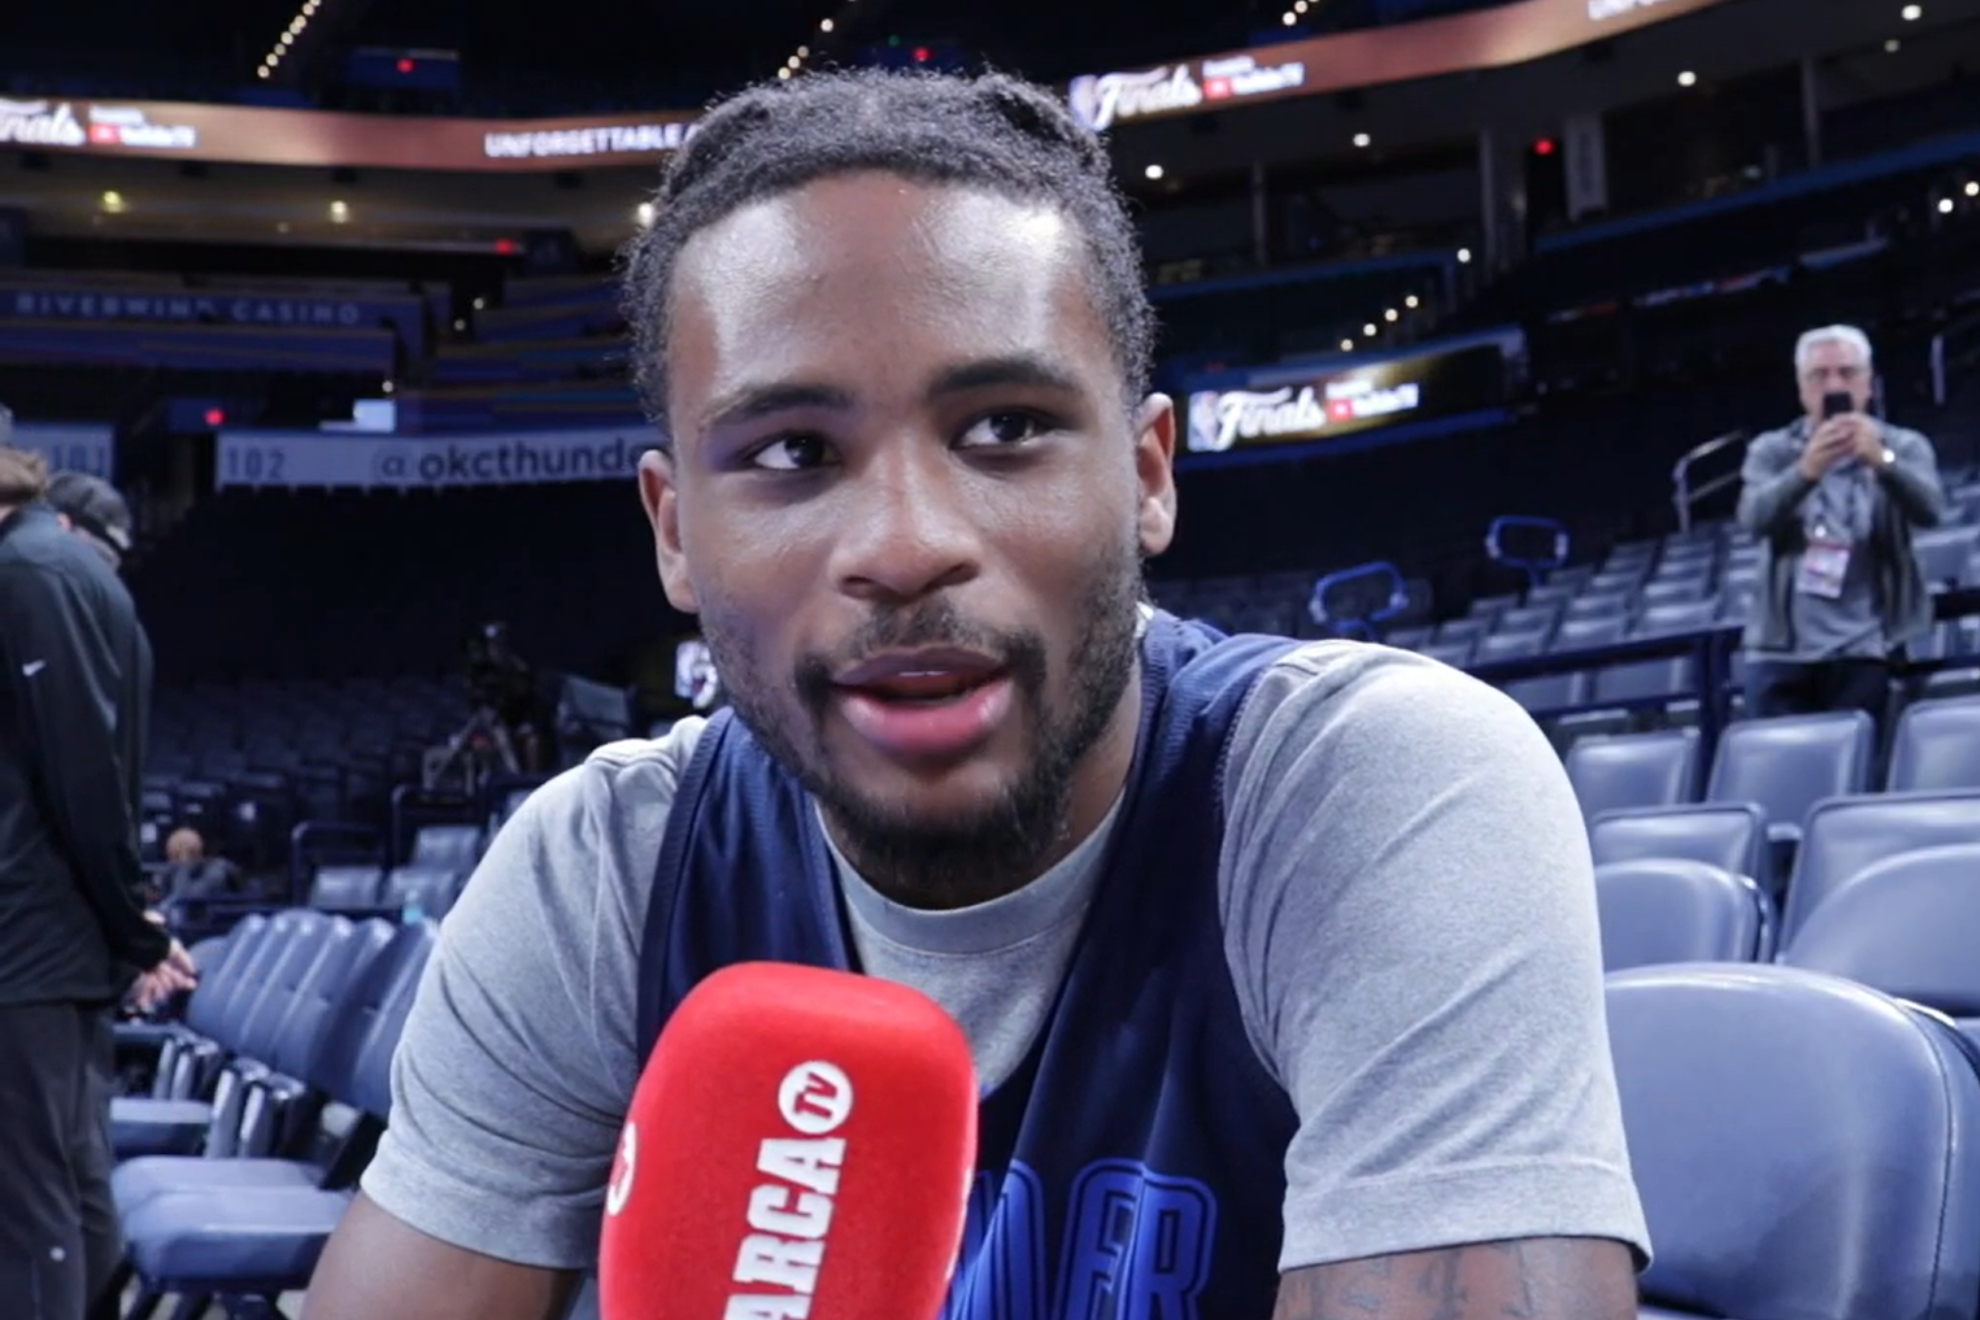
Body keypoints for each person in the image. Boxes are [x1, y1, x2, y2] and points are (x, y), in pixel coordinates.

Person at [306, 71, 1645, 1320]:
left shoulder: (1369, 788)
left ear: (1149, 473)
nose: (903, 543)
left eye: (1003, 426)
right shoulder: (605, 870)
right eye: (788, 450)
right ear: (672, 532)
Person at [0, 445, 198, 1320]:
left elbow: (84, 783)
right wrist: (135, 926)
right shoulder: (58, 570)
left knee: (33, 1203)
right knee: (70, 1185)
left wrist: (137, 930)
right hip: (55, 937)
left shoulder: (32, 571)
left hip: (33, 944)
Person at [1737, 325, 1944, 725]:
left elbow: (1930, 510)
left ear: (1868, 383)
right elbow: (1753, 519)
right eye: (1819, 375)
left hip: (1866, 650)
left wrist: (1880, 461)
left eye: (1847, 373)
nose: (1834, 385)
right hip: (1780, 654)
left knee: (1857, 778)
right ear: (1801, 388)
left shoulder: (1903, 446)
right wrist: (1805, 472)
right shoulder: (1772, 451)